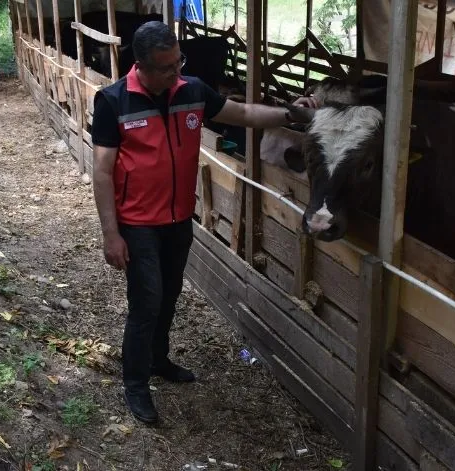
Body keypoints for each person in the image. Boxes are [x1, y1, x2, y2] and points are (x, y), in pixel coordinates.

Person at [90, 20, 316, 424]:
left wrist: (289, 113)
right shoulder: (113, 101)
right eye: (166, 67)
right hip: (137, 223)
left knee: (170, 293)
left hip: (178, 218)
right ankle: (136, 384)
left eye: (179, 62)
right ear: (141, 65)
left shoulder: (192, 90)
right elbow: (103, 171)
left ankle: (158, 359)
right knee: (147, 302)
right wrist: (111, 234)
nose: (175, 72)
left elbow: (243, 112)